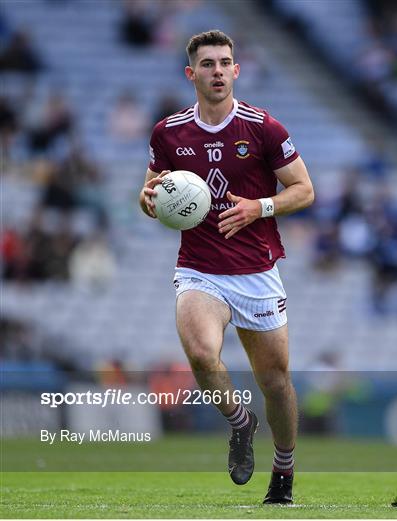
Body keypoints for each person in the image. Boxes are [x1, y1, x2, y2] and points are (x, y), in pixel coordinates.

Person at [139, 30, 314, 504]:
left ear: (236, 71)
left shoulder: (263, 127)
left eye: (225, 63)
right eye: (208, 63)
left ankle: (284, 469)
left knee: (275, 381)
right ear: (190, 73)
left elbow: (304, 190)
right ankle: (240, 423)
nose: (217, 70)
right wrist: (146, 198)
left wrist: (260, 207)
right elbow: (152, 189)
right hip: (200, 268)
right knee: (199, 353)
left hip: (256, 271)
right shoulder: (168, 132)